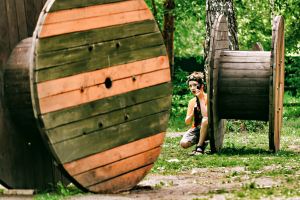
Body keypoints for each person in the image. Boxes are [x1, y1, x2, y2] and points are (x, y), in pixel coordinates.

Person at [180, 71, 209, 155]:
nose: (192, 88)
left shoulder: (208, 98)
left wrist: (200, 99)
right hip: (196, 128)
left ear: (201, 85)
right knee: (183, 143)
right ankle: (203, 141)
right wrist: (192, 113)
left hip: (207, 127)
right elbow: (187, 122)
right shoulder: (191, 102)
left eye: (195, 85)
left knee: (205, 120)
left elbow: (205, 117)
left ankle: (199, 146)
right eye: (190, 86)